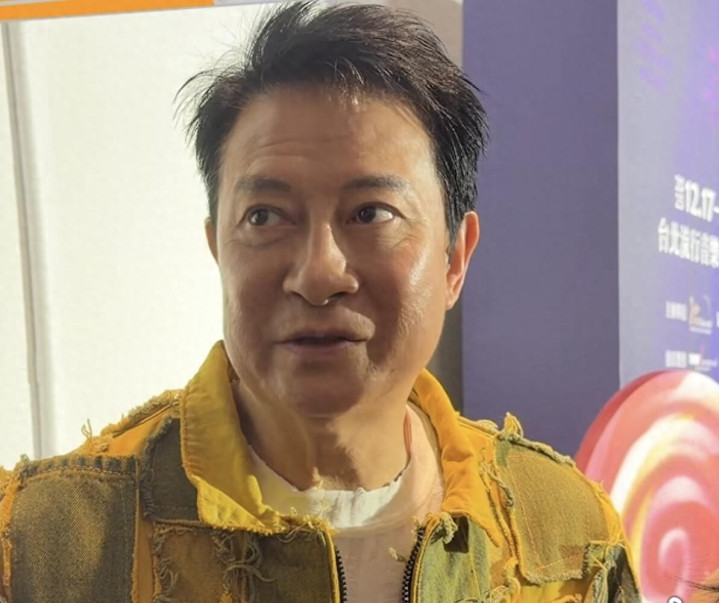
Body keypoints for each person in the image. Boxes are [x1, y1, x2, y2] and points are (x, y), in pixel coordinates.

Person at [0, 2, 640, 601]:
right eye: (265, 216)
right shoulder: (44, 543)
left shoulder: (562, 539)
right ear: (219, 249)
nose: (318, 274)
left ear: (455, 258)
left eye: (371, 213)